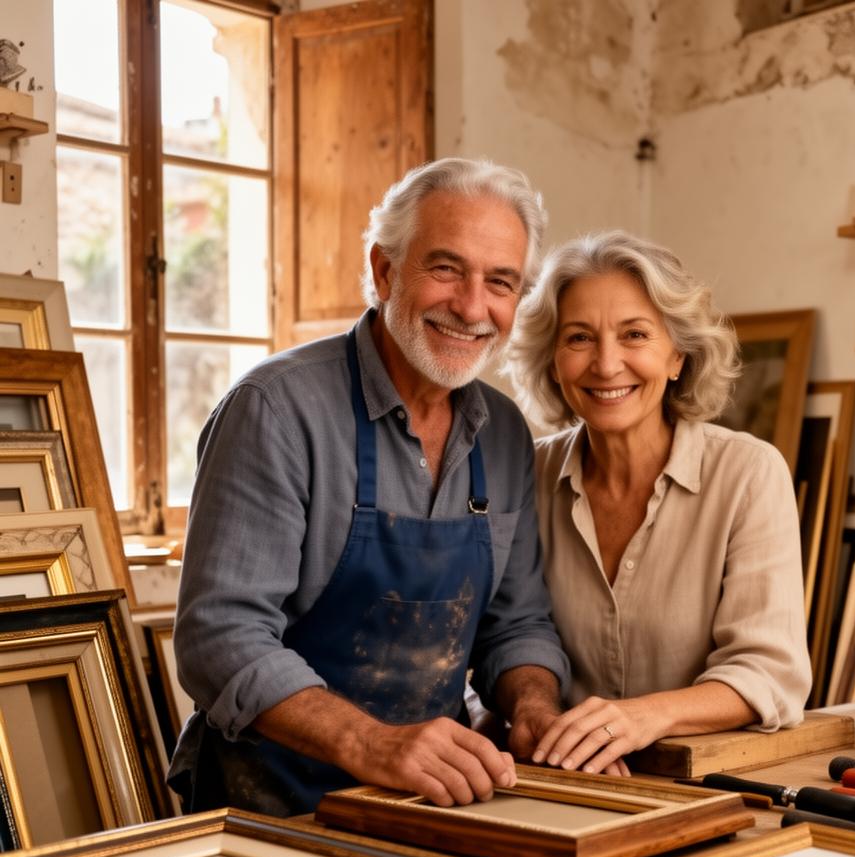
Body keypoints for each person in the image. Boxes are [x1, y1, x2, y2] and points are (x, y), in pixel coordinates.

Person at [168, 158, 569, 816]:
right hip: (268, 804)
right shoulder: (277, 408)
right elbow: (221, 638)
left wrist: (534, 708)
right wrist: (373, 745)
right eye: (447, 268)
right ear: (385, 270)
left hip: (428, 802)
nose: (473, 307)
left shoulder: (503, 433)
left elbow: (517, 624)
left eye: (500, 282)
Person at [504, 230, 811, 777]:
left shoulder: (748, 474)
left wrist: (641, 718)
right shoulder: (525, 475)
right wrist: (539, 715)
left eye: (635, 335)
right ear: (552, 361)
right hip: (565, 780)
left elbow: (770, 672)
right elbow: (503, 635)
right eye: (579, 338)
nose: (606, 364)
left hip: (712, 784)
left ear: (677, 357)